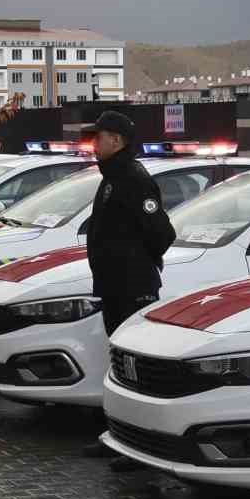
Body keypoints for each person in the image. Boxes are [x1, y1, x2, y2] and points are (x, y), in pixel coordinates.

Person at [83, 110, 176, 468]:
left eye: (99, 137)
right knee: (120, 368)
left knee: (134, 370)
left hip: (131, 286)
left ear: (117, 141)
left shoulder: (133, 179)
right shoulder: (112, 177)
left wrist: (137, 263)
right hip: (113, 284)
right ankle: (119, 438)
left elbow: (161, 233)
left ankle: (139, 447)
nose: (93, 143)